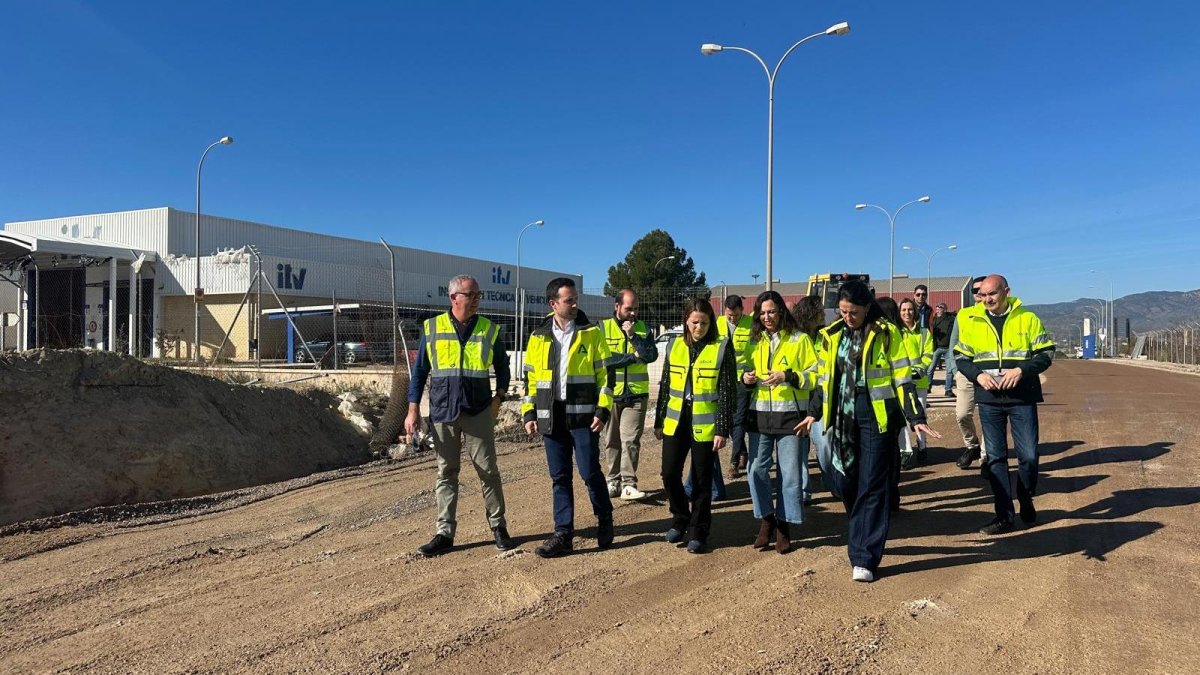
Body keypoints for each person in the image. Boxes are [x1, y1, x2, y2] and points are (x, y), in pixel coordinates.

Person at [800, 281, 940, 582]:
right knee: (846, 481)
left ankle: (864, 555)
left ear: (867, 307)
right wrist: (813, 412)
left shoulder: (887, 334)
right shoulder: (831, 335)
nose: (847, 317)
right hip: (842, 416)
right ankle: (861, 528)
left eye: (853, 312)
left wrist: (915, 416)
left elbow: (903, 379)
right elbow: (824, 381)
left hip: (877, 417)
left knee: (873, 485)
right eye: (843, 311)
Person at [406, 274, 513, 557]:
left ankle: (498, 526)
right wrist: (413, 408)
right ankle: (444, 533)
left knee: (488, 471)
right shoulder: (432, 328)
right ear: (454, 298)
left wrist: (499, 397)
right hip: (443, 411)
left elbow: (503, 366)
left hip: (478, 410)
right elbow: (419, 373)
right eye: (471, 295)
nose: (477, 299)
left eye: (479, 295)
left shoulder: (489, 329)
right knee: (446, 472)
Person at [522, 277, 616, 557]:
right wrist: (528, 411)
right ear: (553, 304)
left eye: (576, 299)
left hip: (585, 416)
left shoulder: (591, 333)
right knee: (559, 477)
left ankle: (605, 518)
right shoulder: (538, 336)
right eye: (569, 300)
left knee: (589, 472)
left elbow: (606, 377)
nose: (575, 304)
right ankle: (563, 534)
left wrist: (603, 409)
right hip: (551, 416)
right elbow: (530, 378)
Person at [953, 274, 1054, 535]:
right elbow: (961, 358)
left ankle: (1025, 492)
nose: (986, 300)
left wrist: (1021, 370)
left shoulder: (1027, 319)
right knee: (995, 458)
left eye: (992, 295)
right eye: (983, 295)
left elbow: (1046, 354)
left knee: (1029, 455)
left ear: (1006, 292)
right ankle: (1004, 515)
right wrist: (978, 375)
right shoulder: (972, 321)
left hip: (1022, 397)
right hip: (989, 400)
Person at [653, 298, 737, 553]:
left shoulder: (721, 346)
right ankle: (680, 518)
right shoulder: (674, 345)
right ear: (686, 321)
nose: (698, 327)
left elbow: (727, 390)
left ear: (710, 323)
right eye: (694, 322)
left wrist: (723, 428)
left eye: (703, 322)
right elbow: (666, 384)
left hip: (705, 423)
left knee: (702, 481)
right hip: (676, 420)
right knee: (669, 474)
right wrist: (658, 420)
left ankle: (699, 531)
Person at [742, 290, 818, 554]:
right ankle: (766, 518)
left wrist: (788, 376)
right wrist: (746, 378)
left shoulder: (800, 340)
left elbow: (815, 375)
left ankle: (784, 525)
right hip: (760, 416)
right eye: (762, 313)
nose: (767, 317)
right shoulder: (754, 342)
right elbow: (743, 369)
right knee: (755, 471)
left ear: (781, 312)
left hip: (791, 418)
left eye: (771, 311)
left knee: (789, 475)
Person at [601, 289, 658, 501]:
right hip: (611, 394)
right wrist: (633, 358)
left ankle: (628, 484)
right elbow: (605, 359)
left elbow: (650, 355)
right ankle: (612, 480)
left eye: (636, 309)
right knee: (611, 440)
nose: (633, 313)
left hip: (636, 395)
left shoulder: (643, 329)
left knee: (630, 440)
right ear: (617, 307)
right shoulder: (603, 328)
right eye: (628, 309)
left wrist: (633, 336)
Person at [791, 295, 827, 502]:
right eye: (820, 311)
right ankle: (804, 491)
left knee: (824, 445)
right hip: (801, 400)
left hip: (821, 399)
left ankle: (831, 481)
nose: (823, 314)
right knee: (800, 449)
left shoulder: (826, 336)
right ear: (809, 313)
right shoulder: (796, 338)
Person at [716, 295, 754, 478]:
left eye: (736, 315)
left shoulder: (751, 324)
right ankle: (743, 452)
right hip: (723, 378)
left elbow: (755, 353)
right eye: (729, 315)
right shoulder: (718, 323)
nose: (732, 318)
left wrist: (749, 373)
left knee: (738, 419)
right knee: (729, 419)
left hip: (743, 379)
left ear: (742, 310)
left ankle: (733, 461)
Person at [951, 277, 988, 469]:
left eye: (983, 290)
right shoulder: (963, 314)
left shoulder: (994, 313)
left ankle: (985, 457)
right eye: (975, 291)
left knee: (988, 416)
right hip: (965, 372)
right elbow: (954, 342)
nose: (979, 295)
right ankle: (972, 446)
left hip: (989, 374)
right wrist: (953, 368)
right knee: (962, 414)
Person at [898, 297, 934, 470]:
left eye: (910, 309)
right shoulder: (896, 332)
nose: (907, 313)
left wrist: (918, 370)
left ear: (915, 311)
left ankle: (922, 446)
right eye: (903, 310)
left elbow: (928, 355)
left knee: (920, 416)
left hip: (919, 382)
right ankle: (906, 451)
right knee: (903, 418)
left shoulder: (924, 333)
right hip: (902, 383)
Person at [930, 303, 956, 396]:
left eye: (940, 308)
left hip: (948, 348)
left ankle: (948, 390)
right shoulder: (933, 320)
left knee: (949, 370)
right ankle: (928, 387)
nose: (938, 310)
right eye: (936, 308)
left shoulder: (950, 319)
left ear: (945, 309)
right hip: (936, 347)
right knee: (930, 369)